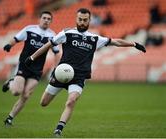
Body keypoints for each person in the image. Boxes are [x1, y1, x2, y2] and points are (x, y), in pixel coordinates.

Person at [25, 8, 146, 137]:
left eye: (85, 20)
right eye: (80, 19)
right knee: (43, 103)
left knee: (71, 100)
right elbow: (48, 45)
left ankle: (58, 129)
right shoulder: (67, 33)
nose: (82, 22)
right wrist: (32, 57)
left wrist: (134, 44)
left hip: (79, 76)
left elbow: (116, 41)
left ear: (89, 21)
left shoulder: (94, 38)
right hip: (61, 73)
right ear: (76, 19)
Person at [2, 11, 59, 126]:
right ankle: (10, 84)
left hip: (37, 69)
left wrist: (56, 68)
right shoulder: (30, 29)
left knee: (26, 95)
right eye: (44, 18)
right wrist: (9, 45)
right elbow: (16, 38)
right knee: (16, 92)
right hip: (24, 64)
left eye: (49, 19)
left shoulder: (52, 35)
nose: (46, 20)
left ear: (51, 21)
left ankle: (9, 118)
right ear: (40, 19)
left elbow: (56, 52)